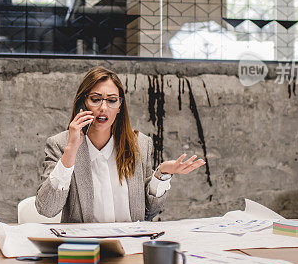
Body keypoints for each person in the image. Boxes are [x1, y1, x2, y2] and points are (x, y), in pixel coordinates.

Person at [35, 66, 205, 222]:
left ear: (119, 106)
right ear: (82, 103)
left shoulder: (140, 144)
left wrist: (161, 174)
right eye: (95, 99)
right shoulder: (60, 145)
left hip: (130, 245)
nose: (103, 107)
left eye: (111, 100)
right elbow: (47, 209)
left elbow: (148, 212)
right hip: (86, 248)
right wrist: (71, 151)